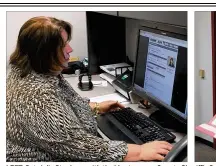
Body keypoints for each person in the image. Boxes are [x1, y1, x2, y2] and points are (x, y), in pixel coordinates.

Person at [6, 16, 172, 162]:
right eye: (63, 46)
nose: (70, 50)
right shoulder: (36, 98)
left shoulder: (34, 70)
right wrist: (140, 152)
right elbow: (78, 145)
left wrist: (94, 107)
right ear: (43, 53)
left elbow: (62, 105)